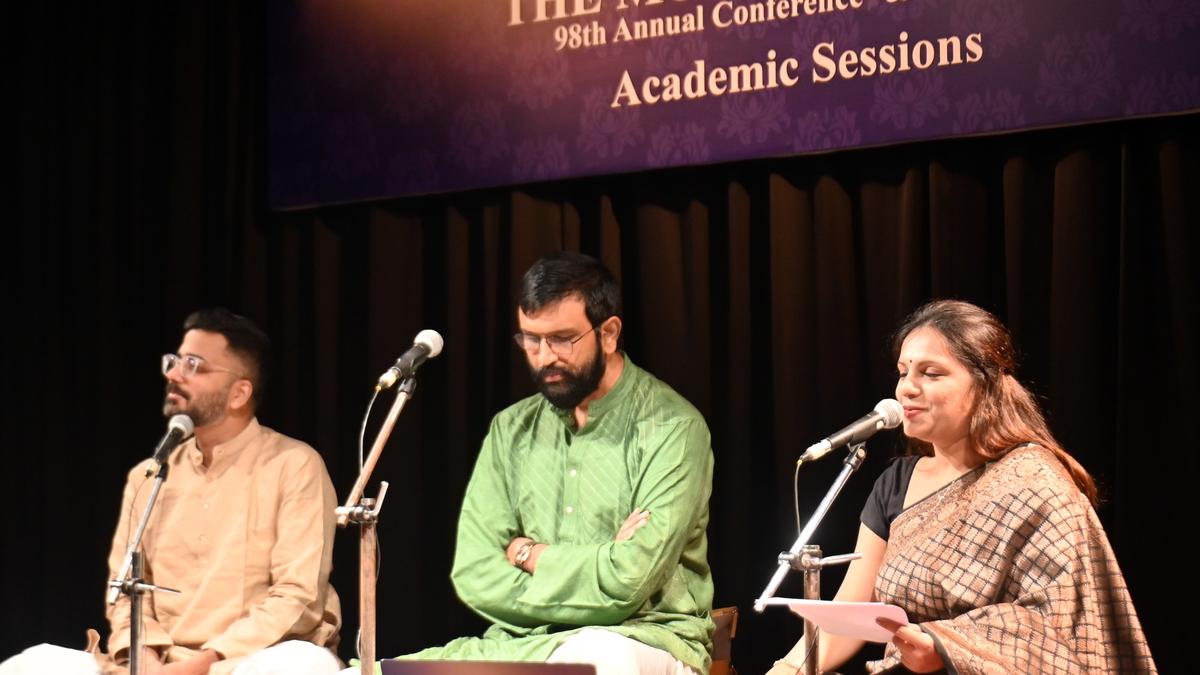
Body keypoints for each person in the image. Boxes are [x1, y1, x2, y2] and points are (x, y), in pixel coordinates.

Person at [769, 299, 1156, 674]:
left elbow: (1061, 626)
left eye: (931, 373)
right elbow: (850, 605)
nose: (906, 388)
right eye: (904, 372)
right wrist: (787, 669)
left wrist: (945, 647)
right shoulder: (895, 484)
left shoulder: (1034, 484)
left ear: (985, 384)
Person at [388, 252, 715, 675]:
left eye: (562, 339)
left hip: (644, 639)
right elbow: (474, 572)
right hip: (523, 644)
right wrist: (601, 558)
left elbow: (630, 580)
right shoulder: (510, 429)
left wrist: (527, 553)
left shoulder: (673, 428)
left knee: (598, 658)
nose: (543, 357)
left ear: (609, 332)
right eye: (530, 339)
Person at [2, 308, 343, 675]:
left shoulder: (295, 466)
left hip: (248, 660)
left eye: (194, 365)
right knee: (31, 663)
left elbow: (297, 597)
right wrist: (146, 658)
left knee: (301, 666)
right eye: (176, 361)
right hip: (155, 666)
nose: (174, 374)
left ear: (239, 392)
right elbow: (124, 595)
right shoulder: (148, 477)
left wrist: (204, 663)